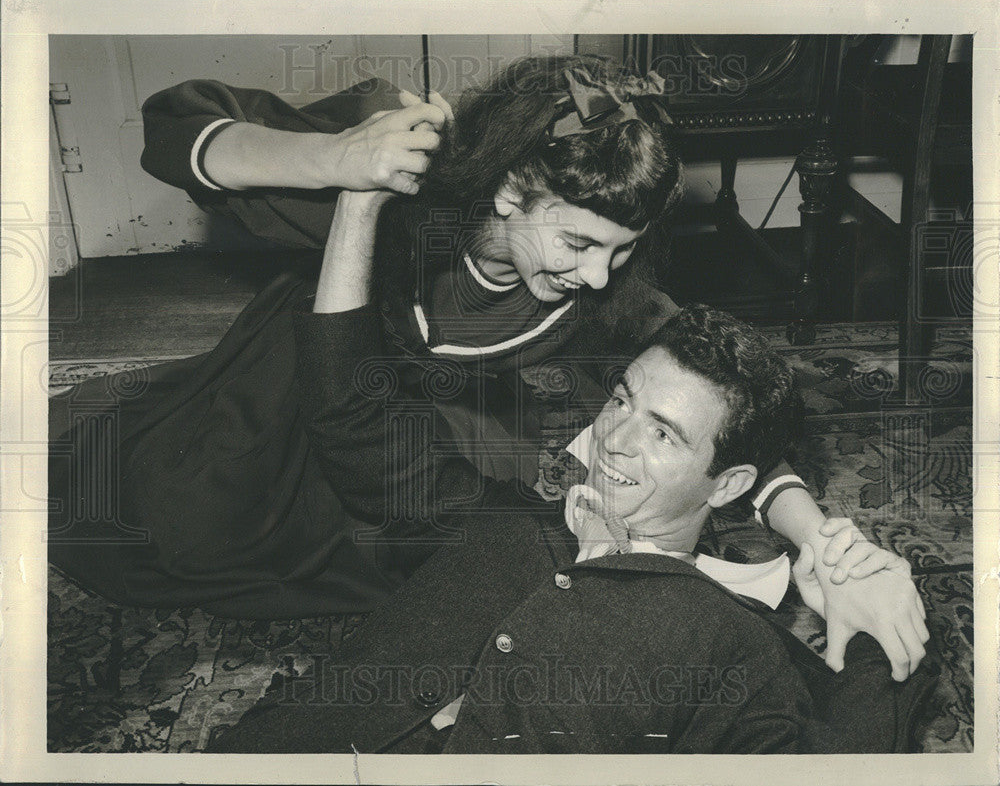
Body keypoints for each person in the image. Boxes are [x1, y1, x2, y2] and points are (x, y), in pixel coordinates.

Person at [49, 54, 924, 681]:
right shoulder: (401, 163)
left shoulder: (607, 298)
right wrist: (339, 161)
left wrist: (825, 543)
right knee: (161, 530)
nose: (595, 276)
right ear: (511, 193)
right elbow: (172, 129)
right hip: (284, 390)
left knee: (456, 571)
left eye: (620, 252)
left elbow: (730, 424)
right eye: (578, 240)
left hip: (394, 449)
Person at [205, 236, 935, 752]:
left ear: (732, 484)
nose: (615, 438)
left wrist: (875, 623)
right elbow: (352, 426)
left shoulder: (726, 638)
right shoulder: (501, 522)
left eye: (664, 435)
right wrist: (357, 204)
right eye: (620, 399)